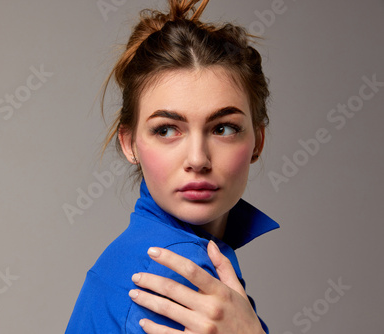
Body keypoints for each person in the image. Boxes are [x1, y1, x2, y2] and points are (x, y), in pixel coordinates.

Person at [65, 0, 279, 333]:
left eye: (223, 128)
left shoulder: (134, 252)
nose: (197, 159)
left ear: (257, 141)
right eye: (166, 130)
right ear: (129, 143)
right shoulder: (179, 267)